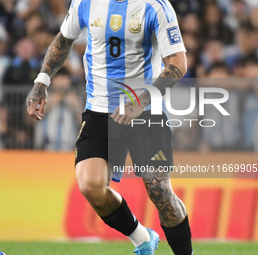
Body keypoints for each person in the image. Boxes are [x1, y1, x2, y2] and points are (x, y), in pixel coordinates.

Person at [27, 1, 192, 255]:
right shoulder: (86, 2)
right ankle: (143, 238)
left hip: (145, 112)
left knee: (160, 192)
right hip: (99, 110)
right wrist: (42, 81)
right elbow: (63, 39)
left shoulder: (156, 6)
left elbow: (178, 64)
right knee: (89, 185)